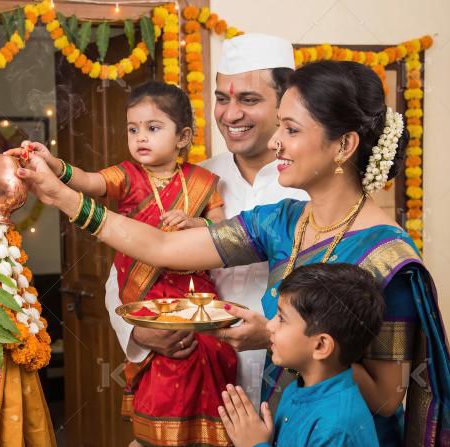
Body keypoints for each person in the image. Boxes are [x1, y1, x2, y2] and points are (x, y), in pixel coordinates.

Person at [13, 60, 450, 445]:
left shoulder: (386, 257)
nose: (275, 142)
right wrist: (64, 196)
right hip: (276, 429)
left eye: (290, 129)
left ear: (343, 145)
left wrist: (275, 336)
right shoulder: (285, 221)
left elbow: (388, 398)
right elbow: (164, 246)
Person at [10, 81, 236, 446]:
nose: (140, 138)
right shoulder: (127, 176)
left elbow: (225, 232)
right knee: (166, 366)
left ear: (183, 137)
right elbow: (86, 181)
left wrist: (197, 224)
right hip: (146, 296)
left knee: (208, 353)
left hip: (196, 297)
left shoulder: (203, 182)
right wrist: (52, 164)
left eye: (153, 128)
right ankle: (158, 437)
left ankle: (204, 434)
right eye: (133, 129)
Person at [105, 33, 308, 412]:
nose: (231, 115)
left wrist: (271, 335)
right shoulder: (190, 179)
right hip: (194, 383)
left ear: (285, 103)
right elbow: (124, 268)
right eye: (222, 99)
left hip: (288, 382)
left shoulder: (309, 189)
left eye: (248, 100)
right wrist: (141, 331)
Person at [217, 263, 384, 447]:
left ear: (320, 345)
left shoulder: (336, 428)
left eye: (282, 319)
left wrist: (254, 445)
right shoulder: (295, 391)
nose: (269, 326)